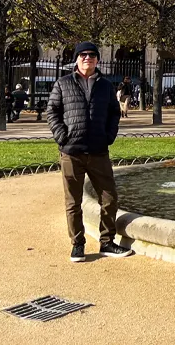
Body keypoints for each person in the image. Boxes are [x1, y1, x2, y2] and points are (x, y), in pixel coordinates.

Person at [45, 42, 132, 263]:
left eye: (92, 55)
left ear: (97, 60)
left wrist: (109, 135)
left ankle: (106, 242)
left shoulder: (105, 86)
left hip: (98, 150)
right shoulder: (63, 83)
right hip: (71, 151)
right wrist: (61, 135)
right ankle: (78, 244)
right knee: (73, 202)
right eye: (83, 55)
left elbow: (114, 112)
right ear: (76, 59)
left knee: (110, 198)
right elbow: (52, 111)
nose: (87, 58)